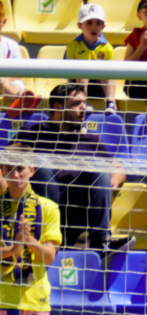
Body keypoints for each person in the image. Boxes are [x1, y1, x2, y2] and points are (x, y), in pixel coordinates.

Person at [14, 83, 131, 255]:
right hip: (42, 205)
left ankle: (101, 242)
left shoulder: (90, 139)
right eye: (76, 104)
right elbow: (7, 162)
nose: (84, 108)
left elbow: (118, 169)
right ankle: (45, 239)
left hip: (79, 208)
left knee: (100, 170)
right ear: (57, 107)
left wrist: (109, 183)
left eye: (84, 102)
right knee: (43, 169)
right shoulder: (32, 132)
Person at [0, 143, 61, 315]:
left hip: (35, 301)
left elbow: (50, 257)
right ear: (2, 172)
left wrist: (29, 240)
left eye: (20, 168)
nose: (15, 175)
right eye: (9, 169)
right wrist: (13, 250)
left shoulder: (49, 208)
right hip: (1, 301)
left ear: (32, 170)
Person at [63, 3, 117, 114]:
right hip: (78, 89)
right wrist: (71, 95)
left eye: (98, 23)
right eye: (89, 23)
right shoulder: (73, 46)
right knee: (83, 71)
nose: (94, 27)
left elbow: (111, 76)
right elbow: (69, 76)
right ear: (79, 25)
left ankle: (110, 103)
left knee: (108, 72)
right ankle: (83, 103)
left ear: (103, 26)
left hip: (101, 89)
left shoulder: (107, 47)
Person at [0, 2, 29, 109]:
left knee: (18, 86)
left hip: (7, 82)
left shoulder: (11, 44)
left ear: (4, 22)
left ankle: (18, 98)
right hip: (4, 84)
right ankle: (22, 101)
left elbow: (18, 72)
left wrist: (4, 80)